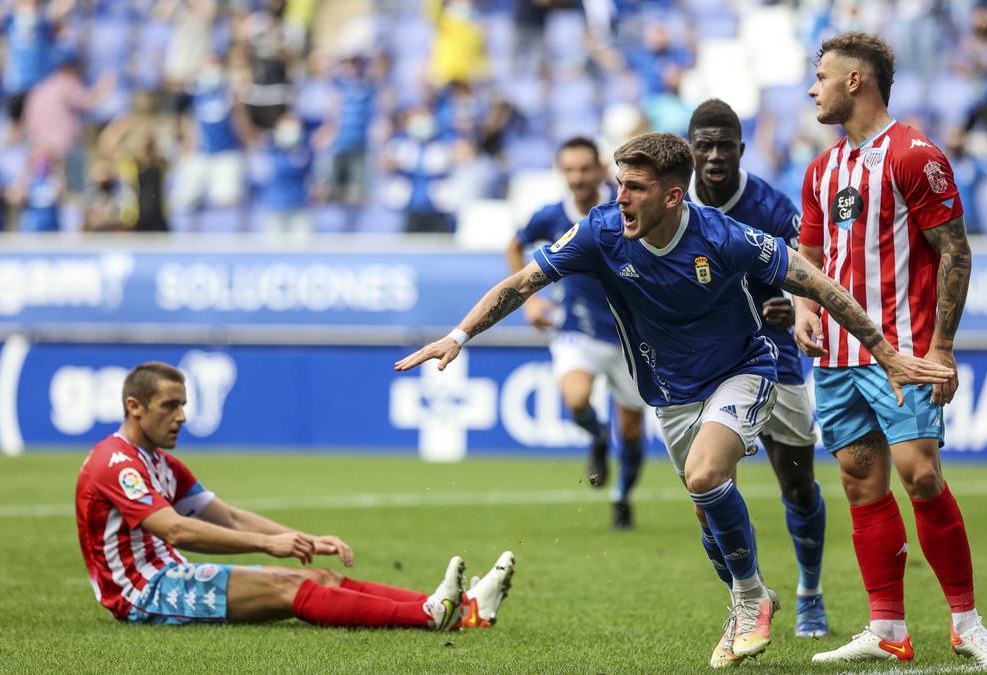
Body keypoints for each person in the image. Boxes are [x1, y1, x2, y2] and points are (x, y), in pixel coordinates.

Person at [396, 132, 951, 665]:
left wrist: (882, 350)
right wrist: (458, 335)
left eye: (634, 187)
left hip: (744, 370)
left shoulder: (723, 236)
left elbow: (817, 283)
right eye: (619, 184)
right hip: (669, 393)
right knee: (707, 515)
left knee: (708, 476)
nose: (620, 197)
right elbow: (521, 284)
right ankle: (746, 596)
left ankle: (755, 597)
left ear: (671, 194)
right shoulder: (601, 230)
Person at [798, 33, 987, 667]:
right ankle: (887, 627)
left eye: (821, 76)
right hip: (839, 357)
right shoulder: (822, 169)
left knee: (919, 473)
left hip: (906, 351)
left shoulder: (914, 155)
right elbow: (811, 257)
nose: (813, 88)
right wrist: (808, 309)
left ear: (855, 82)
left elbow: (955, 250)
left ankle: (967, 624)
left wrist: (943, 348)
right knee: (861, 484)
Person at [76, 361, 516, 630]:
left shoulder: (161, 463)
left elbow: (225, 517)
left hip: (170, 577)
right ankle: (430, 615)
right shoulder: (115, 462)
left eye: (183, 404)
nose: (183, 416)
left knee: (318, 578)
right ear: (134, 407)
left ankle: (460, 609)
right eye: (169, 406)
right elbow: (174, 529)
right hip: (142, 593)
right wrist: (270, 545)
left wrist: (303, 538)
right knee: (289, 586)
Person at [686, 99, 829, 650]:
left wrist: (798, 307)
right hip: (707, 365)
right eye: (706, 144)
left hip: (775, 359)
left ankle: (810, 590)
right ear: (691, 148)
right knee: (709, 489)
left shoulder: (771, 206)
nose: (716, 155)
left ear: (742, 149)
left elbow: (815, 275)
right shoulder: (674, 204)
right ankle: (747, 599)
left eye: (726, 144)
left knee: (795, 484)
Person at [505, 136, 646, 530]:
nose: (577, 177)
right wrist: (531, 300)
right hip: (577, 329)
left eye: (584, 169)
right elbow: (513, 246)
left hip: (630, 336)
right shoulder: (550, 216)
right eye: (569, 170)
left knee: (633, 430)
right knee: (576, 397)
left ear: (600, 168)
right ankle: (598, 437)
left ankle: (623, 495)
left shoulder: (623, 207)